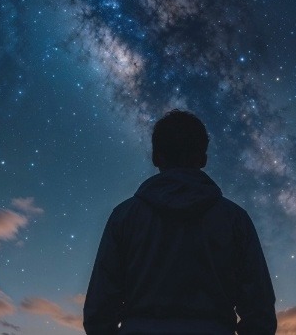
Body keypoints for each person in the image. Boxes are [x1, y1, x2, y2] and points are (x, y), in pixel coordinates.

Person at [83, 110, 277, 335]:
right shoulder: (235, 220)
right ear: (203, 158)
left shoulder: (125, 217)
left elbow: (98, 312)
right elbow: (260, 313)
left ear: (156, 156)